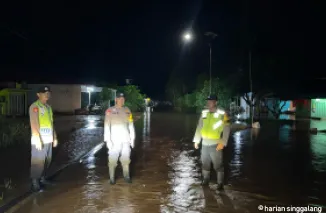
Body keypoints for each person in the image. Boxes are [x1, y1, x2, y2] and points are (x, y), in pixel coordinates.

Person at [193, 94, 231, 191]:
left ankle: (220, 183)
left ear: (216, 102)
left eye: (211, 100)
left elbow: (227, 128)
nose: (209, 102)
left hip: (216, 144)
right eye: (208, 100)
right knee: (205, 164)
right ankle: (205, 180)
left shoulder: (223, 113)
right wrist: (197, 140)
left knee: (218, 165)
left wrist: (223, 142)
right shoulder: (204, 112)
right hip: (205, 144)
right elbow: (199, 126)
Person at [29, 86, 58, 192]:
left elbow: (51, 124)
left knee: (47, 161)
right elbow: (34, 124)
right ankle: (35, 182)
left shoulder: (49, 108)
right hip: (39, 141)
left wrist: (54, 137)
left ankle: (42, 178)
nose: (47, 95)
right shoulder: (34, 107)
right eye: (44, 93)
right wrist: (37, 139)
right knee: (38, 162)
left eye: (48, 93)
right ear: (38, 94)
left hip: (48, 140)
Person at [104, 92, 135, 184]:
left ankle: (126, 177)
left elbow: (131, 125)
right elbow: (106, 126)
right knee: (112, 160)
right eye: (119, 98)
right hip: (114, 141)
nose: (122, 100)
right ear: (116, 100)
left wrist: (132, 138)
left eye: (123, 98)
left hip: (126, 140)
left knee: (126, 159)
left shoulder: (128, 110)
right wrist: (108, 140)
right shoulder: (109, 111)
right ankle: (112, 178)